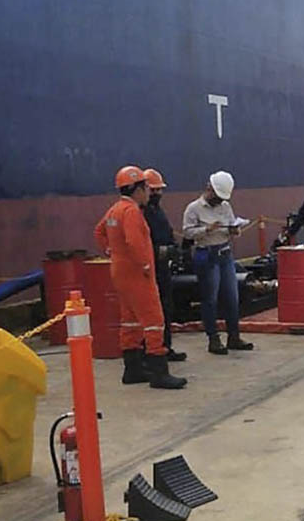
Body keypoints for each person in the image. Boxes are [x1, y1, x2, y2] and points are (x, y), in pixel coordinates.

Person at [94, 165, 187, 389]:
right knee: (154, 321)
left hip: (120, 272)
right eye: (146, 187)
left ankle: (132, 368)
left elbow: (99, 232)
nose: (149, 192)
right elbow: (135, 242)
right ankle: (159, 372)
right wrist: (145, 265)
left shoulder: (115, 210)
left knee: (130, 321)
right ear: (137, 189)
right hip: (138, 275)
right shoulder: (132, 212)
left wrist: (111, 252)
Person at [183, 170, 254, 355]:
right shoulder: (193, 209)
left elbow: (231, 225)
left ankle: (234, 336)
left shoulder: (225, 206)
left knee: (232, 297)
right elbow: (187, 232)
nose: (220, 201)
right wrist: (206, 229)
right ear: (210, 189)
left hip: (224, 253)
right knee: (210, 299)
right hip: (206, 255)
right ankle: (213, 339)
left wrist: (234, 230)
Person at [141, 168, 186, 362]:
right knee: (151, 312)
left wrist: (175, 249)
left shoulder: (157, 211)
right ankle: (150, 351)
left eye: (159, 190)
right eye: (153, 190)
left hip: (162, 267)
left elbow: (166, 232)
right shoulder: (138, 212)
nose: (157, 194)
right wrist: (161, 251)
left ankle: (165, 347)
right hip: (148, 269)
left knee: (166, 307)